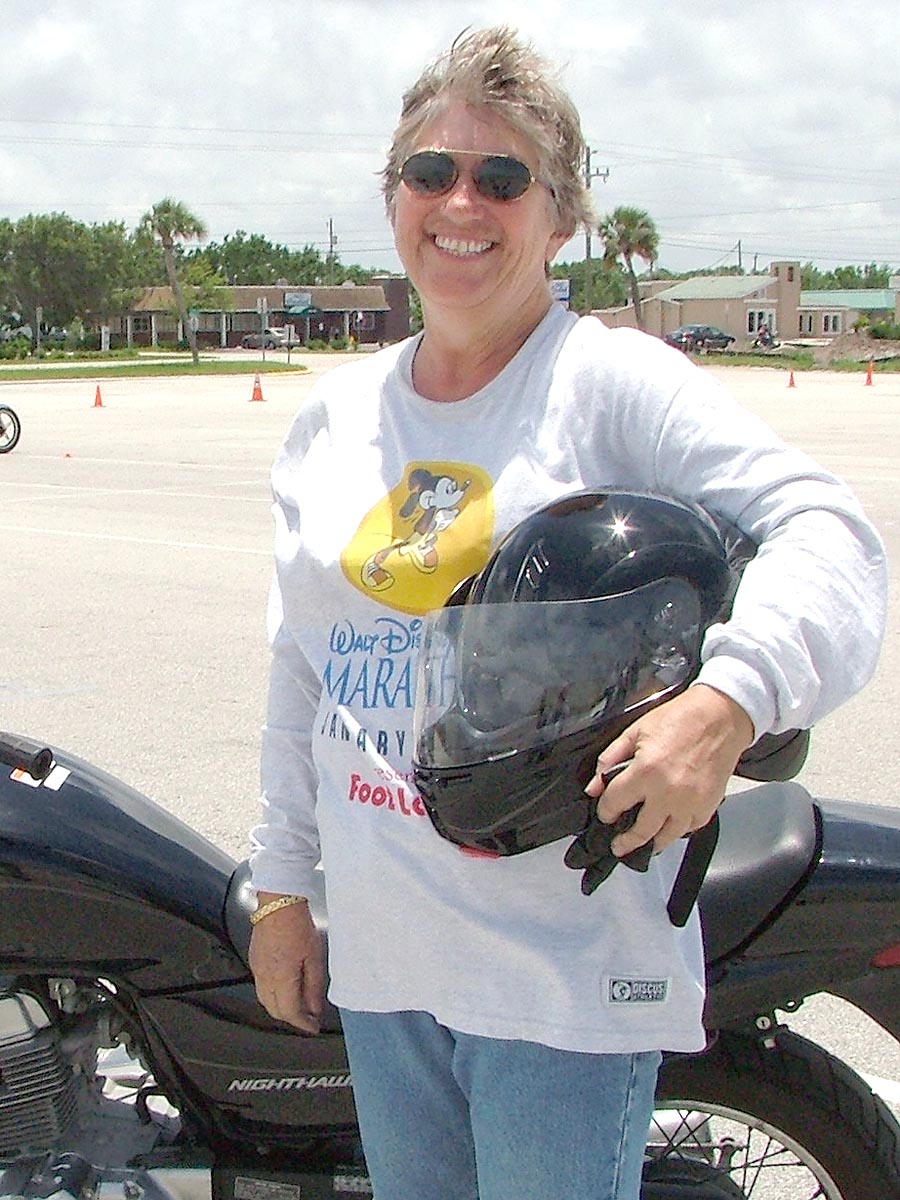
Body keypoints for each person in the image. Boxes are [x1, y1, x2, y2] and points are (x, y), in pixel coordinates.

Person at [247, 26, 887, 1200]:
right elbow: (305, 664)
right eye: (432, 172)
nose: (462, 204)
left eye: (503, 178)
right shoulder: (333, 420)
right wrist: (284, 886)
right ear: (394, 196)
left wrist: (727, 704)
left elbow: (831, 534)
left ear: (560, 220)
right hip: (390, 963)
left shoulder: (608, 382)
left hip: (562, 976)